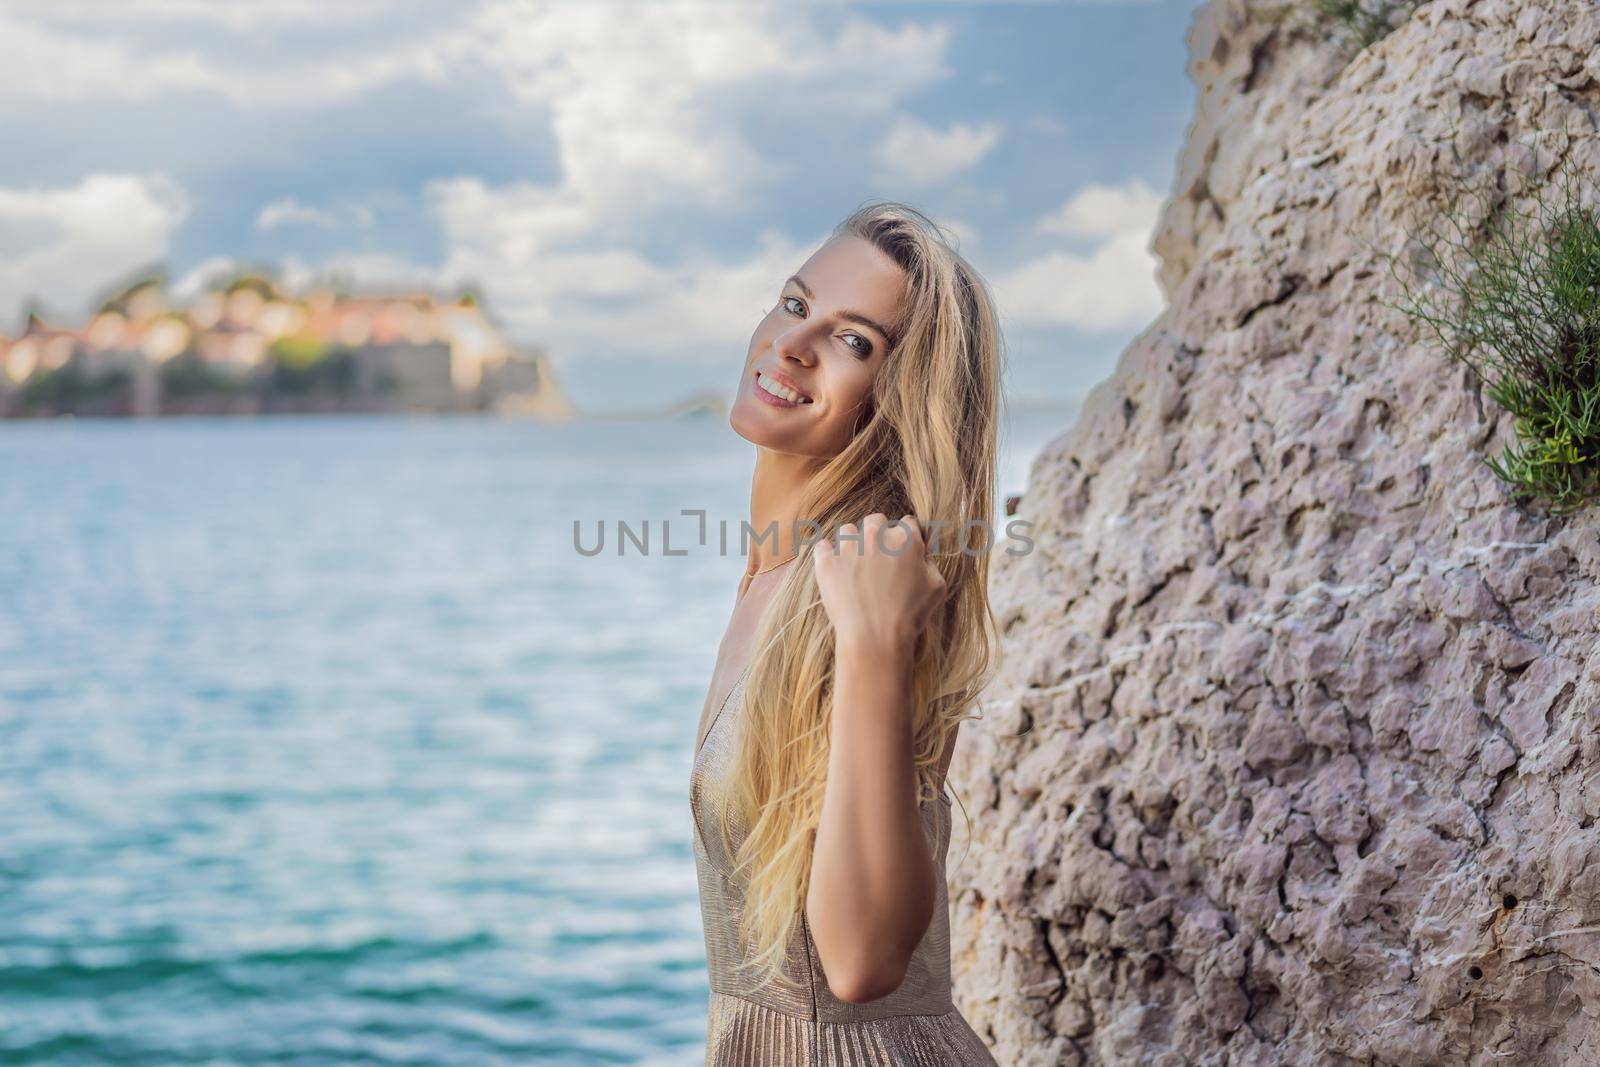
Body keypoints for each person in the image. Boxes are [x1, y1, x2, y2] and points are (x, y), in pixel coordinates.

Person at [689, 200, 1004, 1063]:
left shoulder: (854, 590)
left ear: (901, 400)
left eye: (853, 341)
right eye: (795, 305)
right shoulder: (771, 579)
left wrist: (873, 647)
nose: (793, 345)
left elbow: (863, 961)